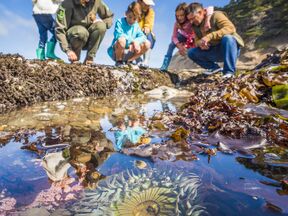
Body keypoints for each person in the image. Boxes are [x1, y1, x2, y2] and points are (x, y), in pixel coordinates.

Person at [186, 3, 244, 78]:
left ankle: (229, 72)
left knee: (228, 38)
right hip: (213, 51)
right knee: (191, 52)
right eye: (189, 19)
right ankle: (214, 68)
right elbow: (196, 42)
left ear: (200, 12)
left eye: (193, 18)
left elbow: (230, 28)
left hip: (229, 49)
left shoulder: (216, 15)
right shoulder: (194, 26)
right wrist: (201, 44)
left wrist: (209, 36)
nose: (191, 21)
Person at [55, 0, 114, 65]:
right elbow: (60, 29)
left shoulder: (97, 1)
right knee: (81, 31)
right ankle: (75, 60)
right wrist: (68, 50)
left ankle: (89, 59)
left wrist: (103, 22)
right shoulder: (67, 4)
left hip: (89, 39)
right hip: (73, 38)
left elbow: (109, 17)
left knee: (101, 26)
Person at [160, 3, 214, 72]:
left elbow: (210, 8)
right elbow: (174, 37)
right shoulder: (177, 23)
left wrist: (207, 21)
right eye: (177, 16)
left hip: (194, 36)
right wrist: (179, 45)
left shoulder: (191, 17)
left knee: (201, 46)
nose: (179, 18)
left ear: (186, 14)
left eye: (182, 15)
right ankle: (165, 65)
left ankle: (210, 64)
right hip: (183, 35)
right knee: (171, 45)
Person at [107, 1, 150, 67]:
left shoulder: (136, 25)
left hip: (129, 52)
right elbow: (118, 35)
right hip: (117, 52)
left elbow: (143, 36)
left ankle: (129, 61)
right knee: (122, 40)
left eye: (134, 19)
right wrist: (132, 42)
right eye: (130, 17)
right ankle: (119, 62)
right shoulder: (120, 22)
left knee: (147, 43)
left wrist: (136, 41)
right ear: (126, 13)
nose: (131, 20)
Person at [137, 0, 156, 68]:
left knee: (150, 37)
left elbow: (149, 23)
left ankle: (146, 61)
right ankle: (137, 59)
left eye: (149, 4)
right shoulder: (133, 10)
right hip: (134, 33)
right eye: (145, 4)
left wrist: (146, 28)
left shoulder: (150, 11)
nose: (148, 6)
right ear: (139, 1)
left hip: (144, 32)